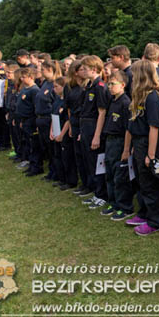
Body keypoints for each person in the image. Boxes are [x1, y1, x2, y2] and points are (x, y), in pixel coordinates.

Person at [125, 60, 159, 235]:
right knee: (142, 182)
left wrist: (150, 155)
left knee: (150, 184)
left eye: (135, 74)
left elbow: (154, 128)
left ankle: (154, 221)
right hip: (139, 143)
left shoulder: (152, 97)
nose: (132, 77)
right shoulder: (140, 96)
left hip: (149, 144)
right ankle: (144, 213)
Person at [79, 55, 112, 209]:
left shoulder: (100, 86)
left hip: (94, 127)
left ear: (93, 69)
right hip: (86, 126)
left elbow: (102, 113)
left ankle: (102, 194)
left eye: (85, 69)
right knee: (89, 161)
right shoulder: (89, 86)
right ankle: (96, 191)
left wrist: (97, 135)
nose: (82, 71)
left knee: (97, 162)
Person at [100, 71, 132, 219]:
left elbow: (128, 129)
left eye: (113, 83)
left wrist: (126, 149)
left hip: (119, 142)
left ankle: (124, 207)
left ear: (123, 85)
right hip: (110, 141)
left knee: (120, 177)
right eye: (109, 83)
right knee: (110, 174)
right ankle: (113, 203)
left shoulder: (125, 103)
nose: (110, 86)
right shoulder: (113, 101)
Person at [34, 60, 62, 180]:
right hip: (41, 119)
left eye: (43, 70)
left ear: (50, 69)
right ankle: (51, 171)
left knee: (53, 148)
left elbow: (56, 104)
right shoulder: (45, 83)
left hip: (50, 120)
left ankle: (56, 173)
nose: (41, 72)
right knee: (47, 148)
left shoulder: (56, 84)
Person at [66, 60, 90, 195]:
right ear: (76, 72)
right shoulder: (71, 87)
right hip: (75, 121)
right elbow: (68, 107)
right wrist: (70, 125)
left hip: (85, 122)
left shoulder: (88, 88)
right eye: (82, 70)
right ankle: (84, 182)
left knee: (86, 155)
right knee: (79, 154)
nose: (84, 72)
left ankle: (90, 184)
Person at [49, 76, 75, 191]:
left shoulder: (66, 102)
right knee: (57, 156)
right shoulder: (56, 101)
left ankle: (70, 180)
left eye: (56, 87)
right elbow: (53, 116)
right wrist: (52, 131)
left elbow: (67, 119)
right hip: (56, 131)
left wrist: (61, 134)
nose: (54, 89)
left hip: (63, 134)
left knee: (67, 158)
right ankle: (61, 178)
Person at [15, 68, 41, 173]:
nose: (21, 79)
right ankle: (30, 163)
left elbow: (35, 107)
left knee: (33, 143)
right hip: (24, 119)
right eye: (21, 77)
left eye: (24, 77)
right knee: (27, 142)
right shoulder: (25, 88)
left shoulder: (34, 90)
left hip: (31, 120)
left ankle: (36, 166)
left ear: (31, 77)